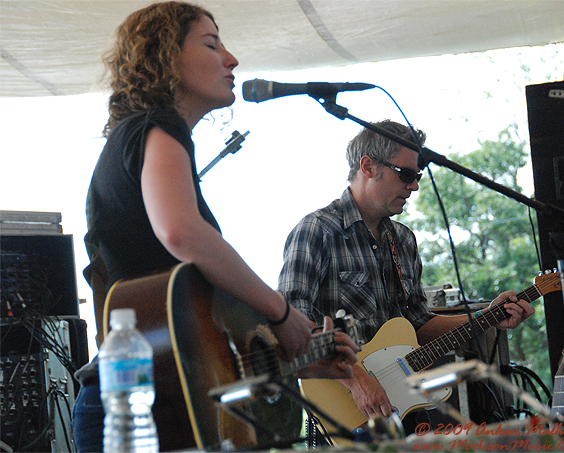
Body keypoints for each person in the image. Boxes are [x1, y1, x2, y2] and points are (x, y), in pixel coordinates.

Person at [71, 2, 358, 452]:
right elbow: (182, 233)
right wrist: (281, 312)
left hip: (155, 403)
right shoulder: (156, 126)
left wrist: (297, 360)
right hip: (142, 415)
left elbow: (205, 353)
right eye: (212, 44)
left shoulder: (135, 138)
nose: (232, 58)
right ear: (165, 56)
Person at [277, 119, 535, 434]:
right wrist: (358, 381)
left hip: (406, 405)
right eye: (406, 175)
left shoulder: (402, 239)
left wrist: (487, 317)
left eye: (417, 176)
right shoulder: (316, 230)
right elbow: (293, 334)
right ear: (368, 166)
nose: (414, 185)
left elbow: (418, 325)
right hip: (348, 411)